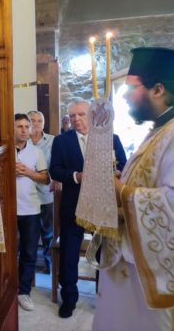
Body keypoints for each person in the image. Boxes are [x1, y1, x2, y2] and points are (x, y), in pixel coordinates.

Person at [92, 47, 174, 331]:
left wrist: (121, 192)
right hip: (132, 270)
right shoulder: (161, 129)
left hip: (150, 281)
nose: (125, 96)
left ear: (158, 90)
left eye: (131, 87)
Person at [50, 98, 126, 318]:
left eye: (81, 114)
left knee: (104, 252)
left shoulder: (111, 138)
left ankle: (103, 297)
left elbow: (123, 165)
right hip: (73, 204)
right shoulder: (61, 141)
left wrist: (116, 173)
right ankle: (69, 298)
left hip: (103, 205)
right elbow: (55, 170)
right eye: (72, 115)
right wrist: (77, 176)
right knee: (69, 253)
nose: (76, 119)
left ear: (91, 115)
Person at [14, 113, 49, 312]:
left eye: (26, 126)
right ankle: (8, 287)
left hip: (30, 209)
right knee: (8, 251)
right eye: (19, 126)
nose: (24, 130)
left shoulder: (36, 152)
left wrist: (27, 172)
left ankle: (24, 292)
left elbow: (45, 179)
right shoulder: (2, 150)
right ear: (12, 128)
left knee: (29, 252)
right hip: (8, 209)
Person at [28, 110, 55, 274]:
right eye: (33, 120)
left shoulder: (53, 141)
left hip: (46, 194)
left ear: (44, 123)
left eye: (40, 121)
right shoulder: (21, 141)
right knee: (28, 234)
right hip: (26, 196)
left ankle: (50, 266)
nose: (36, 124)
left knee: (48, 234)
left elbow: (56, 165)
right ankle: (28, 269)